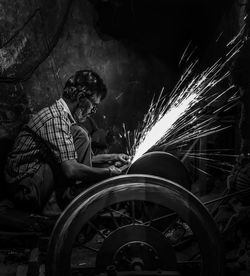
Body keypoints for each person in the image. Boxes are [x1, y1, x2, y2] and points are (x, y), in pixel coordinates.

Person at [4, 70, 130, 212]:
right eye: (93, 105)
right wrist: (108, 172)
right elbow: (71, 169)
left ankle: (76, 198)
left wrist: (113, 157)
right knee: (79, 138)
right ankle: (72, 203)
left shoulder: (63, 118)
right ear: (81, 97)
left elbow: (75, 157)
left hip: (35, 180)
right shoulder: (56, 120)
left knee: (79, 134)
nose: (93, 111)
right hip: (25, 190)